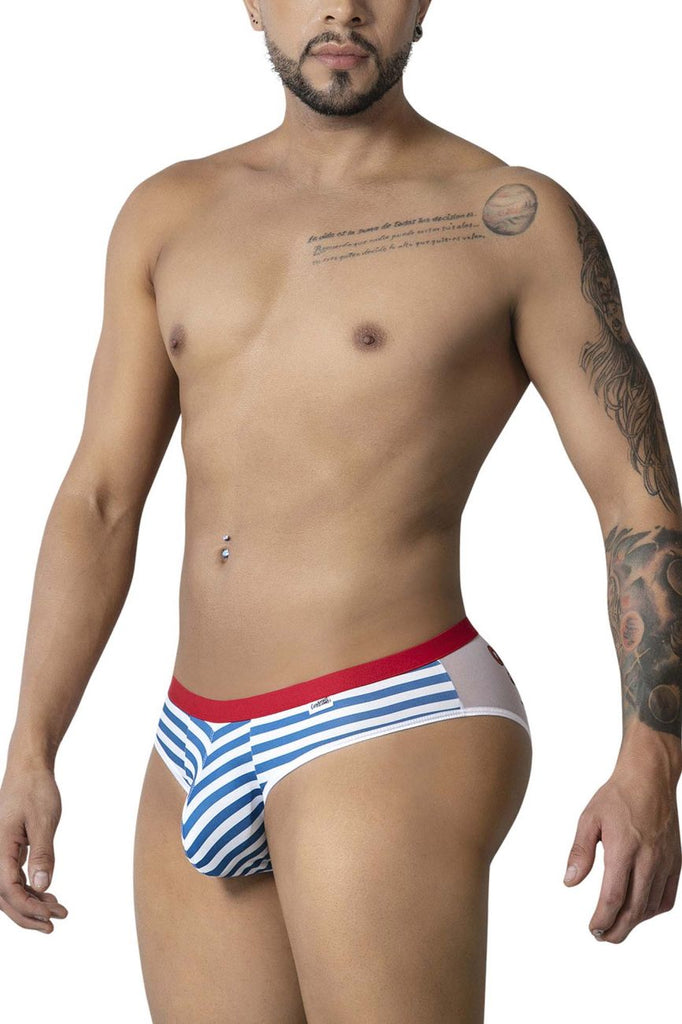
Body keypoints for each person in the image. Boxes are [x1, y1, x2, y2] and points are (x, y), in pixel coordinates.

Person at [1, 1, 681, 1021]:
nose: (342, 7)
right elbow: (98, 498)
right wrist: (31, 743)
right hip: (190, 737)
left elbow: (638, 500)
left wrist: (650, 764)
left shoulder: (510, 217)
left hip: (390, 711)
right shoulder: (167, 213)